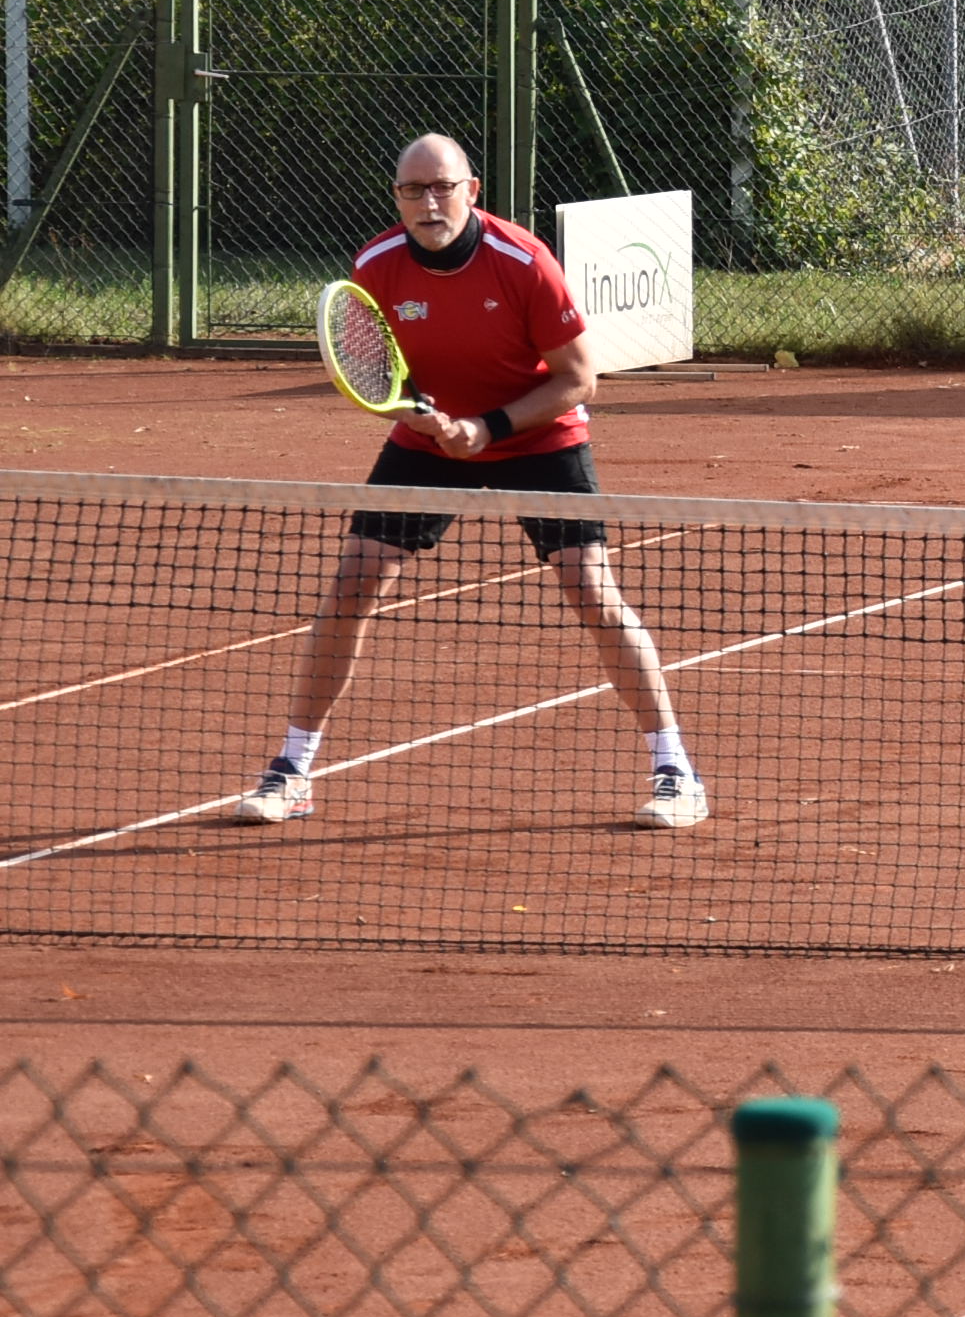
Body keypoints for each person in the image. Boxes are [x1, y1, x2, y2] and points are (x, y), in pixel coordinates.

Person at [242, 134, 704, 828]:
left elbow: (580, 380)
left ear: (472, 191)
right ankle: (292, 770)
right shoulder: (375, 265)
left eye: (443, 188)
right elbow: (377, 375)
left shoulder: (524, 262)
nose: (429, 203)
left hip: (539, 435)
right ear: (397, 197)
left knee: (591, 591)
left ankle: (676, 772)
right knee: (354, 583)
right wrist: (422, 418)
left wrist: (488, 428)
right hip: (429, 440)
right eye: (413, 190)